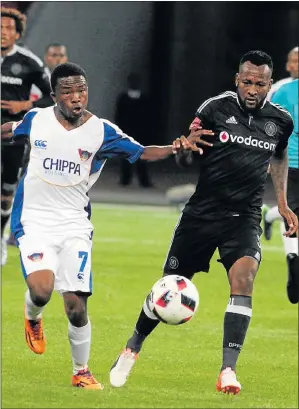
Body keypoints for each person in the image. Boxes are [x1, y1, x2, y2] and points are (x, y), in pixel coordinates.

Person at [1, 62, 203, 388]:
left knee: (76, 306)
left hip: (74, 225)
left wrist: (173, 148)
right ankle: (33, 316)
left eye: (82, 90)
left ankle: (81, 372)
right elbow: (9, 130)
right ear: (54, 96)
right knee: (41, 291)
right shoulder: (37, 120)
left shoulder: (101, 131)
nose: (77, 98)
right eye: (68, 92)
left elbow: (140, 152)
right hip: (34, 220)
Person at [109, 51, 298, 394]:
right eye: (246, 82)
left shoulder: (280, 120)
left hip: (243, 218)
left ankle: (227, 370)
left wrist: (282, 203)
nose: (252, 89)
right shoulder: (214, 109)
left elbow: (280, 155)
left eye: (260, 83)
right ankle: (132, 346)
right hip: (201, 215)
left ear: (270, 84)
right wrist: (182, 149)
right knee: (167, 286)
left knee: (245, 279)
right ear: (236, 80)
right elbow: (186, 155)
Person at [1, 7, 52, 264]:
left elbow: (52, 95)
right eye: (0, 27)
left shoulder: (29, 62)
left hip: (13, 137)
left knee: (6, 190)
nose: (3, 32)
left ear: (17, 33)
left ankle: (1, 236)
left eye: (9, 28)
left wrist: (25, 106)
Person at [263, 79, 299, 304]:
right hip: (291, 161)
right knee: (293, 208)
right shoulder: (284, 90)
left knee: (294, 210)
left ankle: (268, 216)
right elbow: (269, 124)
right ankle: (293, 259)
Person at [116, 73, 153, 187]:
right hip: (126, 131)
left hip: (140, 131)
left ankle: (144, 180)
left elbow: (148, 116)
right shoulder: (123, 98)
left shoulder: (144, 99)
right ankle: (125, 178)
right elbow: (119, 115)